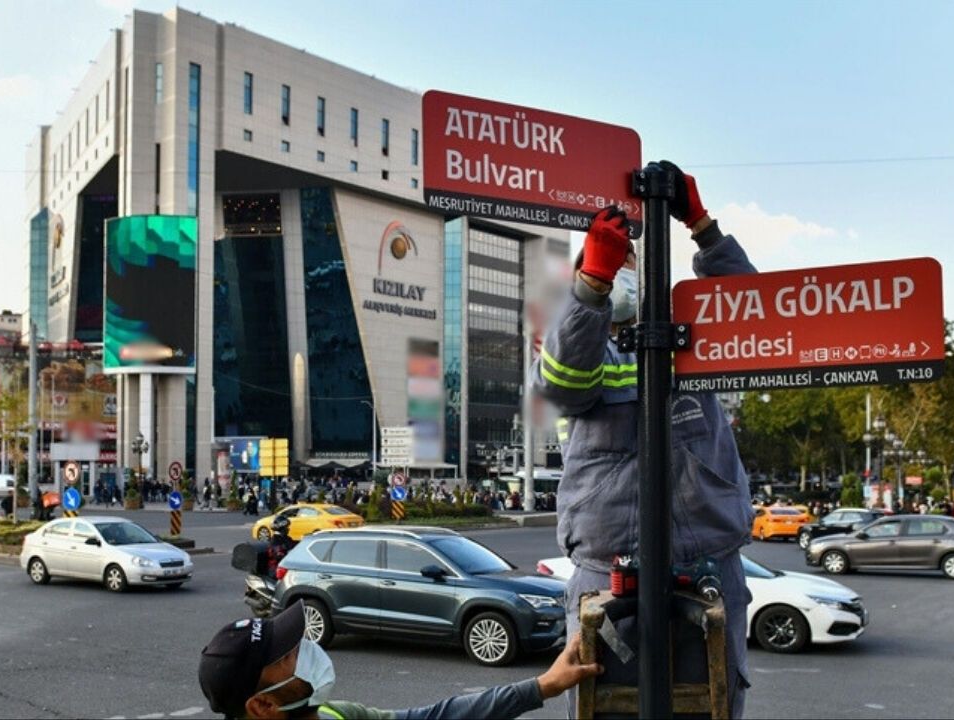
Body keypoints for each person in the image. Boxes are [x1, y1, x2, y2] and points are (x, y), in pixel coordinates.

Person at [532, 161, 755, 718]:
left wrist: (702, 226)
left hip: (707, 565)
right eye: (606, 263)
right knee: (602, 707)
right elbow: (560, 387)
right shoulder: (578, 344)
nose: (618, 269)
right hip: (606, 571)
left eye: (626, 259)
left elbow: (756, 316)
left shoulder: (692, 338)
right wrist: (593, 287)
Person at [199, 600, 600, 719]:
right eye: (289, 655)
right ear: (263, 704)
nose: (308, 652)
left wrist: (544, 685)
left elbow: (437, 717)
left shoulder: (336, 715)